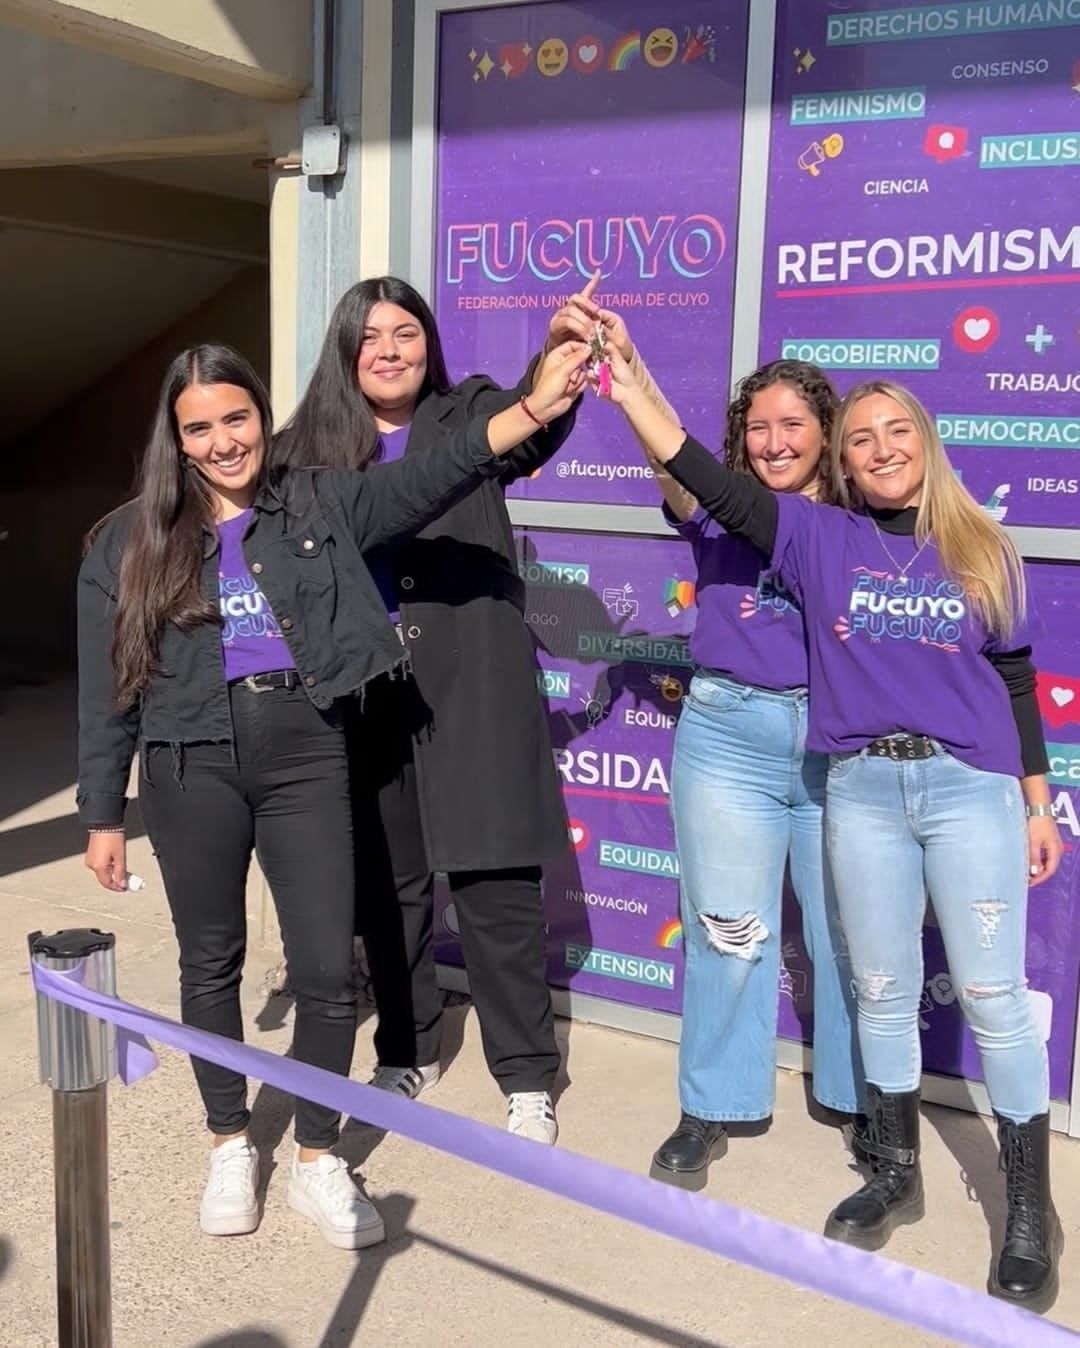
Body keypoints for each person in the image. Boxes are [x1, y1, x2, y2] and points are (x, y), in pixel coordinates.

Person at [77, 340, 586, 1243]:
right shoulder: (123, 540)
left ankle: (317, 1155)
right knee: (212, 963)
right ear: (176, 438)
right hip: (190, 764)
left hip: (307, 753)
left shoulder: (316, 499)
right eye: (200, 427)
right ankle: (230, 1139)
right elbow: (107, 688)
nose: (224, 440)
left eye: (237, 418)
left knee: (323, 968)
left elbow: (437, 472)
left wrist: (537, 404)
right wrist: (102, 814)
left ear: (260, 417)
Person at [598, 359, 1063, 1312]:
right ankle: (818, 1138)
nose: (879, 449)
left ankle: (976, 1179)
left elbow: (1012, 675)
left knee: (931, 978)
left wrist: (1036, 797)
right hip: (789, 752)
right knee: (759, 939)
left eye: (891, 432)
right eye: (865, 436)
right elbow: (694, 471)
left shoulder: (955, 541)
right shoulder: (796, 528)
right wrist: (633, 376)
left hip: (905, 770)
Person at [552, 294, 864, 1185]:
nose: (772, 440)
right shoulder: (719, 508)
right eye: (757, 425)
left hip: (836, 741)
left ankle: (857, 1096)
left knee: (847, 928)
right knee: (728, 929)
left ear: (827, 433)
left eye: (792, 423)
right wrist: (630, 366)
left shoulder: (853, 526)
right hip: (726, 737)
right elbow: (673, 455)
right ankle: (713, 1105)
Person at [271, 277, 580, 1144]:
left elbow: (535, 416)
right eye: (370, 337)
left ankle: (526, 1076)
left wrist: (556, 354)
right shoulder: (303, 448)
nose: (390, 349)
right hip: (367, 694)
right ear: (344, 351)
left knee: (494, 885)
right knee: (390, 886)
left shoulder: (471, 410)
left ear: (428, 343)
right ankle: (408, 1047)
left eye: (406, 332)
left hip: (473, 684)